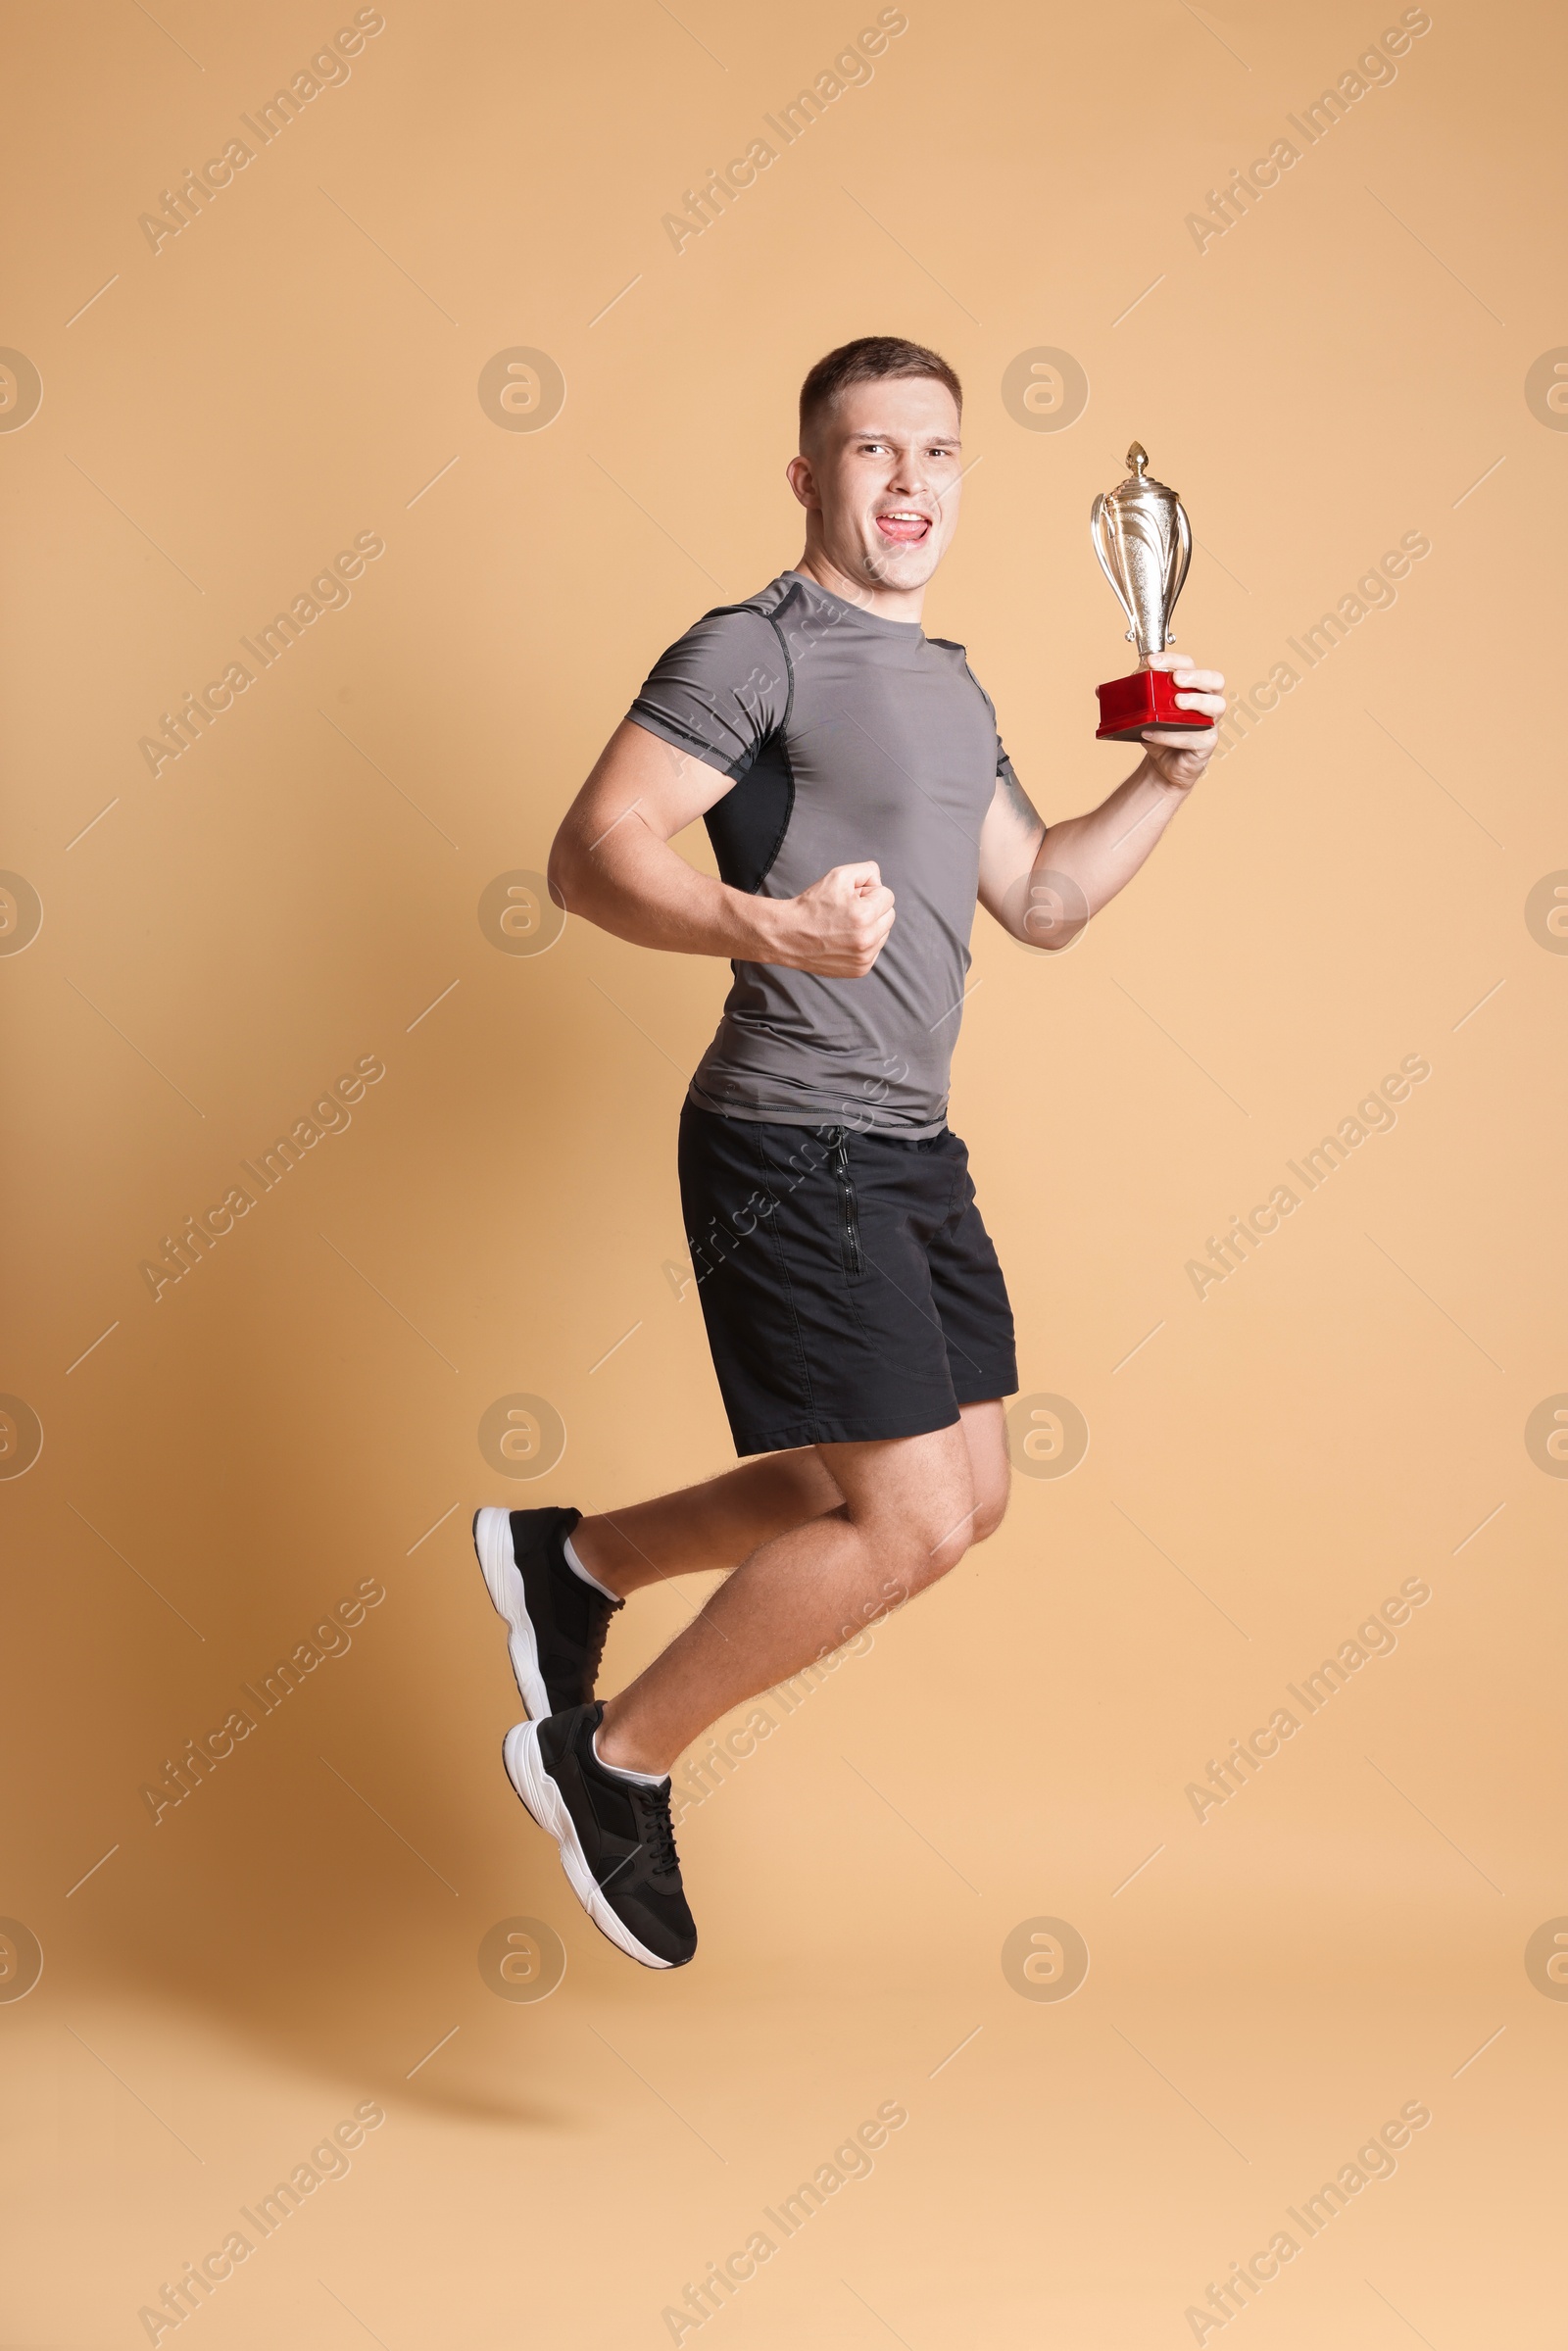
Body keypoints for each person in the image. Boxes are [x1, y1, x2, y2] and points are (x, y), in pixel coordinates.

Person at [472, 334, 1224, 1969]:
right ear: (811, 478)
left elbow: (1044, 902)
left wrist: (1169, 782)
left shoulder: (953, 684)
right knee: (903, 1519)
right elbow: (588, 855)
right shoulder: (759, 650)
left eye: (937, 453)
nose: (909, 484)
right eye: (873, 453)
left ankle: (573, 1560)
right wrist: (774, 925)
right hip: (787, 1135)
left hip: (907, 1148)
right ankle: (607, 1764)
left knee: (965, 1494)